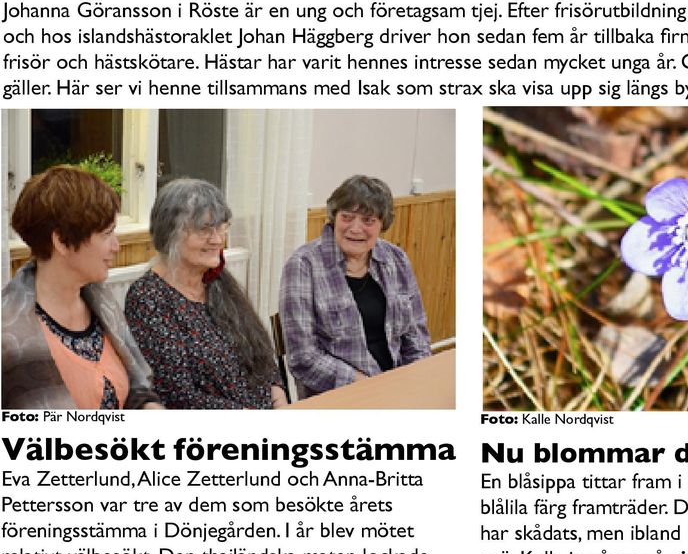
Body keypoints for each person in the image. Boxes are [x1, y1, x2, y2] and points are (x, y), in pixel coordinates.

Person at [2, 165, 160, 410]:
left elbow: (136, 387)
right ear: (62, 242)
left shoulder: (102, 303)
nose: (116, 246)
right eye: (107, 234)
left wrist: (150, 408)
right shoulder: (9, 336)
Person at [125, 178, 287, 409]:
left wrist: (278, 395)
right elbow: (179, 397)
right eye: (204, 229)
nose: (218, 239)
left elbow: (261, 355)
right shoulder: (148, 298)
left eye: (221, 227)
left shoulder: (216, 280)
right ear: (170, 232)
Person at [279, 175, 431, 399]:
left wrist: (414, 381)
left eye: (368, 221)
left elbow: (416, 335)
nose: (355, 229)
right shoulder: (303, 265)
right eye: (347, 217)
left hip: (397, 389)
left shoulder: (396, 259)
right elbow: (303, 357)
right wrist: (370, 387)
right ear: (334, 218)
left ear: (382, 224)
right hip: (338, 397)